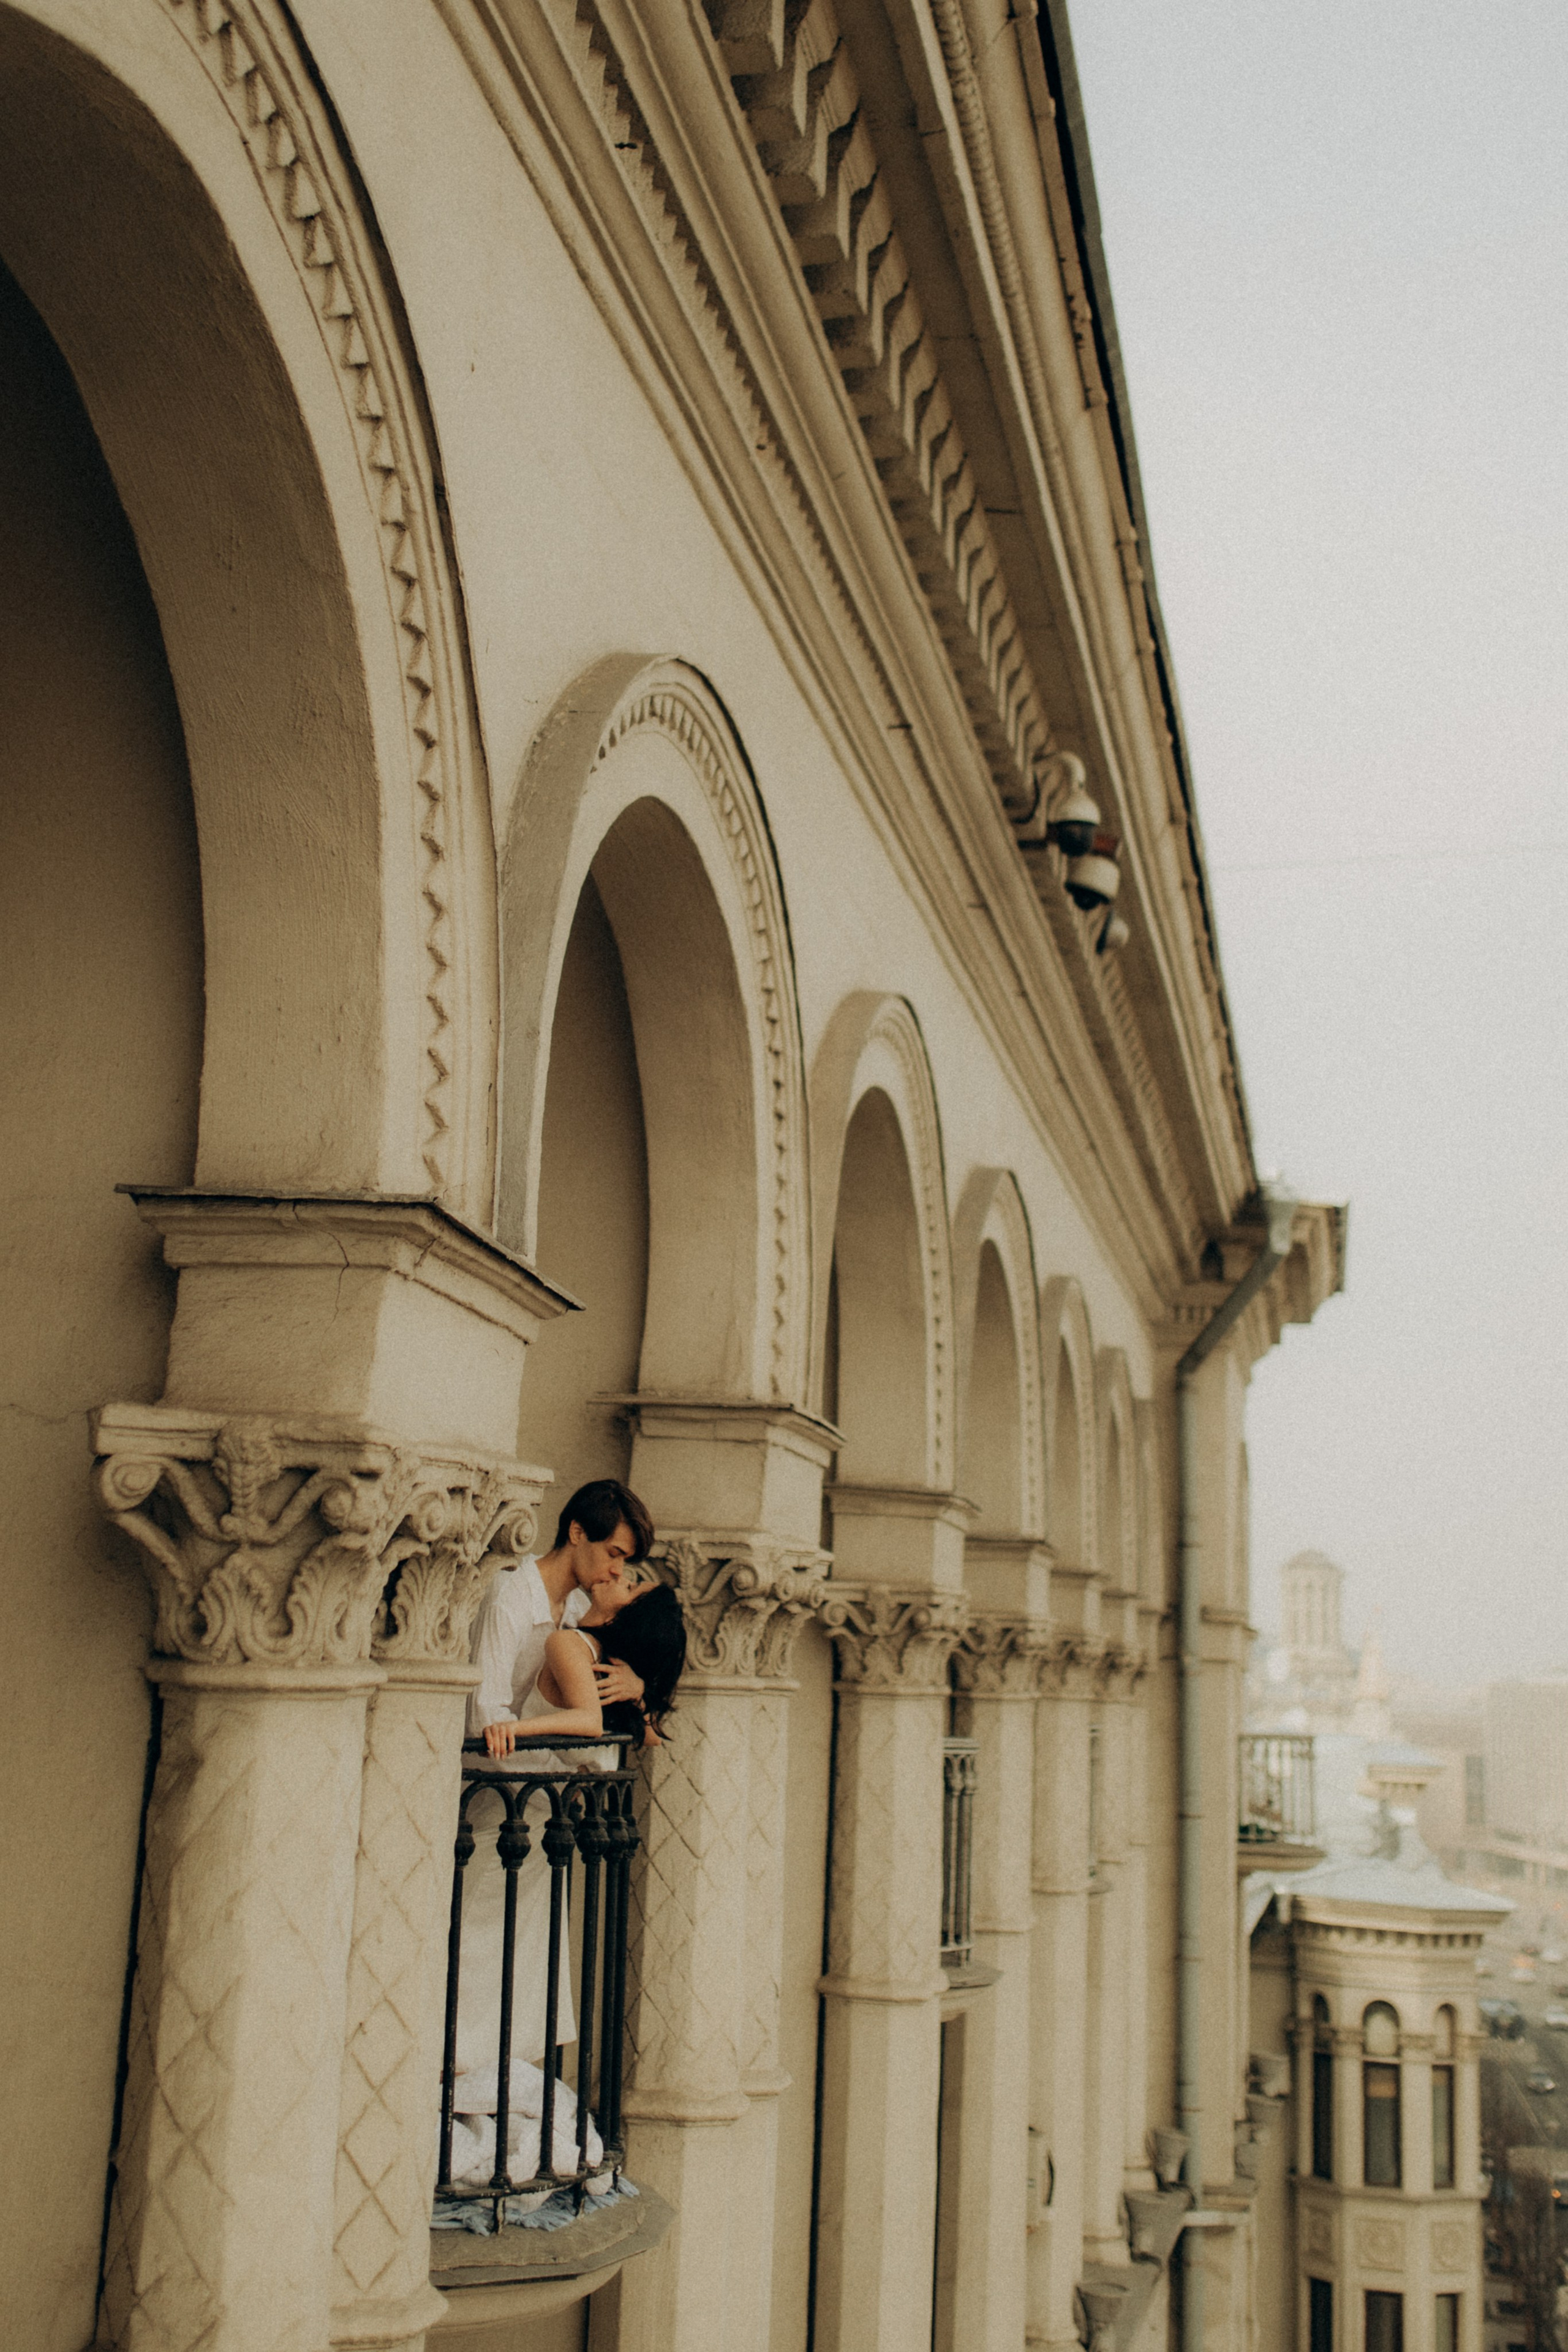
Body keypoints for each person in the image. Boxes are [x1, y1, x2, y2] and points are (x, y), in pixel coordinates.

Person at [451, 1481, 654, 2139]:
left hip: (536, 1809)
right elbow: (487, 1712)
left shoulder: (569, 1613)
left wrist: (635, 1686)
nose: (617, 1570)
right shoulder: (515, 1594)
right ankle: (457, 2076)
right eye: (615, 1554)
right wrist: (569, 1735)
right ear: (575, 1533)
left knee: (528, 1947)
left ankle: (495, 2085)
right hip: (493, 1801)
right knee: (481, 1942)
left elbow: (575, 1708)